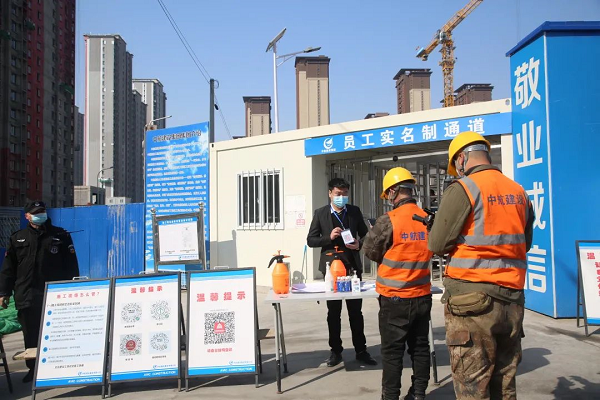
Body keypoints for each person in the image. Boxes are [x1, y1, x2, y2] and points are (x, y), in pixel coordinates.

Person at [428, 132, 534, 400]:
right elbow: (525, 243)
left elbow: (437, 244)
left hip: (472, 302)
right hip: (512, 300)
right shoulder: (519, 192)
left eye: (457, 165)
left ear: (461, 159)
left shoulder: (464, 188)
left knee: (472, 387)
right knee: (505, 384)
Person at [363, 167, 433, 400]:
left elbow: (370, 252)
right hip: (422, 296)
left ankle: (390, 396)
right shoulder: (427, 219)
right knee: (420, 348)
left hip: (394, 299)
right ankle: (419, 393)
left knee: (392, 353)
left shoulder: (388, 220)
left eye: (388, 194)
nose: (388, 198)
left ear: (393, 191)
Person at [0, 201, 79, 383]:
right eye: (35, 212)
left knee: (57, 333)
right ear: (27, 216)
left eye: (42, 211)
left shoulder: (60, 235)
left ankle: (57, 368)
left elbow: (71, 267)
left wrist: (73, 289)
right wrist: (4, 293)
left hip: (54, 295)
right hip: (27, 294)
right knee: (31, 335)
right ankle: (33, 370)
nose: (40, 215)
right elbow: (8, 269)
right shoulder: (18, 238)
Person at [307, 178, 377, 367]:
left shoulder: (353, 211)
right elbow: (311, 240)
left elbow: (366, 235)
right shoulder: (321, 213)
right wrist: (328, 238)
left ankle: (361, 350)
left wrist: (358, 244)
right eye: (338, 194)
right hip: (331, 269)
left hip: (352, 267)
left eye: (345, 193)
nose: (342, 197)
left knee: (356, 312)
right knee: (333, 313)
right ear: (330, 193)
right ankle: (335, 351)